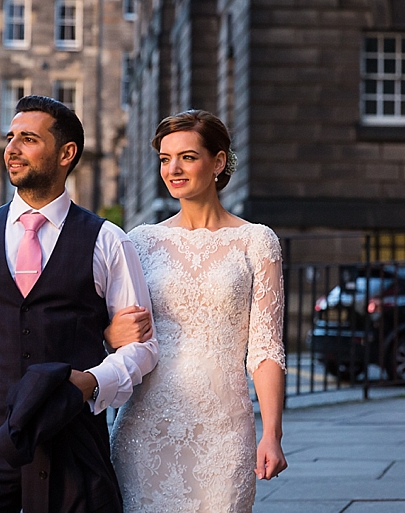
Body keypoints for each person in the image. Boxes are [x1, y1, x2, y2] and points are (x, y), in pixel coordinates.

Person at [0, 95, 158, 513]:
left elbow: (143, 348)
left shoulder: (108, 240)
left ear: (66, 154)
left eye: (29, 139)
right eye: (10, 137)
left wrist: (91, 383)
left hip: (72, 444)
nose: (12, 149)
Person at [107, 110, 287, 512]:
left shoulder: (256, 241)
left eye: (187, 157)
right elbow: (115, 330)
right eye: (165, 159)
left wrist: (271, 433)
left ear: (218, 162)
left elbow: (266, 348)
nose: (173, 169)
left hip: (223, 430)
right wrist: (110, 335)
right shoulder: (139, 241)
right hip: (145, 430)